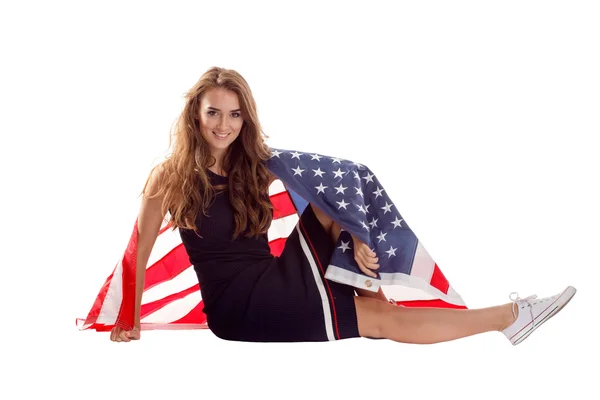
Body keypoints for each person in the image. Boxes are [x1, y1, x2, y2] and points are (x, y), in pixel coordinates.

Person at [109, 66, 576, 345]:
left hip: (274, 277)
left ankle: (372, 290)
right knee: (382, 322)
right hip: (239, 307)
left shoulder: (257, 165)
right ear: (196, 114)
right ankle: (510, 319)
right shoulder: (169, 177)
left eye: (235, 114)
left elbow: (337, 184)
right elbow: (140, 250)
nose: (224, 125)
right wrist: (128, 320)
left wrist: (356, 237)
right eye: (214, 112)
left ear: (245, 118)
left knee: (335, 191)